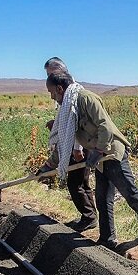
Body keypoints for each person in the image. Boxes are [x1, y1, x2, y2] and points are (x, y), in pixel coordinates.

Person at [44, 71, 138, 249]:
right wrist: (48, 166)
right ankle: (107, 238)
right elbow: (64, 140)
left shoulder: (86, 99)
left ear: (60, 89)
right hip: (98, 158)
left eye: (52, 92)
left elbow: (104, 126)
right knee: (102, 198)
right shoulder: (67, 108)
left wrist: (98, 150)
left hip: (111, 153)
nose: (52, 97)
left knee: (129, 191)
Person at [38, 57, 98, 232]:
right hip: (76, 145)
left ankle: (89, 218)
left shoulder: (73, 94)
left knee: (75, 184)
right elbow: (67, 121)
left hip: (78, 146)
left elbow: (76, 122)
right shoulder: (67, 92)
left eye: (50, 74)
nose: (48, 77)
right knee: (82, 182)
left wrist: (78, 148)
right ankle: (90, 216)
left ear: (59, 72)